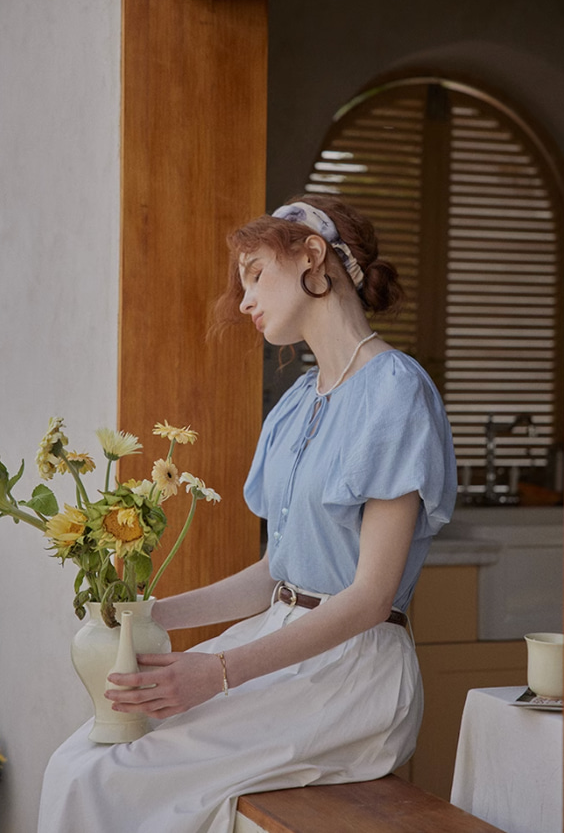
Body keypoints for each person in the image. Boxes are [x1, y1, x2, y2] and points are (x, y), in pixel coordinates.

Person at [38, 194, 457, 833]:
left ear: (312, 256)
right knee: (80, 761)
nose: (243, 300)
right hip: (277, 647)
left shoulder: (395, 390)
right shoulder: (296, 402)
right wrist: (147, 614)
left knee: (108, 776)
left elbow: (371, 597)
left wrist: (219, 672)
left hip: (351, 673)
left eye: (256, 272)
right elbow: (272, 576)